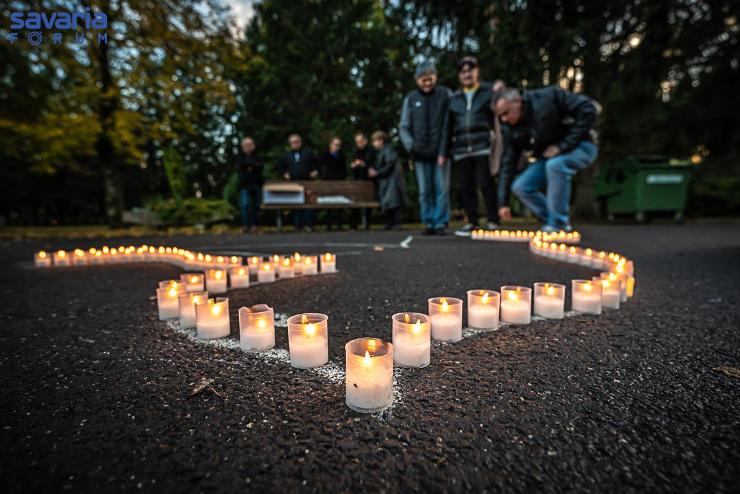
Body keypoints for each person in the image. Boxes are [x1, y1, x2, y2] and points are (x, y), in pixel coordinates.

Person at [494, 86, 599, 232]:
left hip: (581, 145)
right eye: (500, 116)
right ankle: (553, 219)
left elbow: (589, 110)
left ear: (517, 102)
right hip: (549, 156)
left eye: (505, 113)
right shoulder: (509, 127)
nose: (503, 119)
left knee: (556, 165)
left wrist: (561, 146)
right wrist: (503, 203)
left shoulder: (547, 97)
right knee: (521, 186)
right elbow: (508, 162)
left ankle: (558, 224)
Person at [440, 56, 501, 237]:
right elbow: (447, 127)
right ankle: (472, 221)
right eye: (463, 71)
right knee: (466, 187)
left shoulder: (488, 92)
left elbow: (503, 104)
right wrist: (443, 152)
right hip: (460, 147)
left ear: (477, 72)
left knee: (486, 183)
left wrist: (499, 87)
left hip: (482, 145)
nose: (467, 74)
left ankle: (493, 220)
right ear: (459, 75)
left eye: (470, 70)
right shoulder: (454, 99)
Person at [399, 60, 450, 235]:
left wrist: (445, 149)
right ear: (417, 80)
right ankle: (428, 222)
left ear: (435, 77)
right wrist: (411, 146)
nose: (427, 83)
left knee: (441, 189)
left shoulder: (444, 94)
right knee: (424, 191)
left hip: (440, 153)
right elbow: (404, 126)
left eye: (430, 78)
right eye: (423, 79)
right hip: (420, 154)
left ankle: (440, 222)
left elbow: (448, 124)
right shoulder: (411, 98)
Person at [278, 134, 319, 232]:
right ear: (290, 144)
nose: (295, 144)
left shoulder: (308, 153)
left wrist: (315, 171)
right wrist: (284, 173)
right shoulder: (286, 155)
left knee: (308, 204)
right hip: (294, 184)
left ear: (300, 142)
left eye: (297, 142)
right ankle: (297, 226)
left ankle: (309, 225)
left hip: (307, 182)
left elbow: (317, 163)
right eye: (293, 142)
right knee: (296, 205)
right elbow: (280, 167)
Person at [368, 131, 404, 230]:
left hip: (391, 180)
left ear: (381, 141)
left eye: (375, 141)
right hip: (385, 180)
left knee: (393, 202)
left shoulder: (388, 150)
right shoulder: (380, 152)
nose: (374, 143)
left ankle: (396, 223)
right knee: (387, 202)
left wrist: (377, 173)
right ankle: (389, 223)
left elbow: (390, 164)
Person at [235, 136, 263, 233]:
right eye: (246, 145)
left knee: (256, 206)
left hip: (256, 184)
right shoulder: (240, 156)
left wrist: (248, 165)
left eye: (250, 145)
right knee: (245, 205)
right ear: (243, 146)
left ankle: (255, 225)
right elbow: (239, 167)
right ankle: (246, 225)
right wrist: (250, 165)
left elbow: (259, 167)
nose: (248, 147)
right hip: (244, 185)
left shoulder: (257, 156)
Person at [321, 136, 348, 230]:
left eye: (339, 145)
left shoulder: (341, 155)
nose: (337, 147)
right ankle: (328, 225)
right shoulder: (325, 155)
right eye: (336, 145)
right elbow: (321, 167)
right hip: (328, 181)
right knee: (328, 203)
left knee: (339, 203)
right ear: (331, 145)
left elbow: (344, 169)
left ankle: (339, 224)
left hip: (339, 181)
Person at [350, 132, 374, 230]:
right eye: (357, 142)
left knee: (367, 203)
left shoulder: (371, 151)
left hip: (367, 181)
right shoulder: (356, 152)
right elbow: (352, 166)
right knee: (355, 202)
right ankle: (354, 224)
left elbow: (372, 164)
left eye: (360, 141)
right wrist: (354, 166)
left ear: (365, 141)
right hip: (358, 180)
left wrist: (364, 165)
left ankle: (367, 223)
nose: (359, 144)